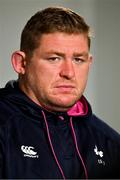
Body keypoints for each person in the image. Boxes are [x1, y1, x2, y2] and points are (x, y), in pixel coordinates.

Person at [0, 6, 120, 179]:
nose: (69, 72)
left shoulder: (110, 142)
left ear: (89, 63)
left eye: (78, 59)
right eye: (54, 58)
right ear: (21, 63)